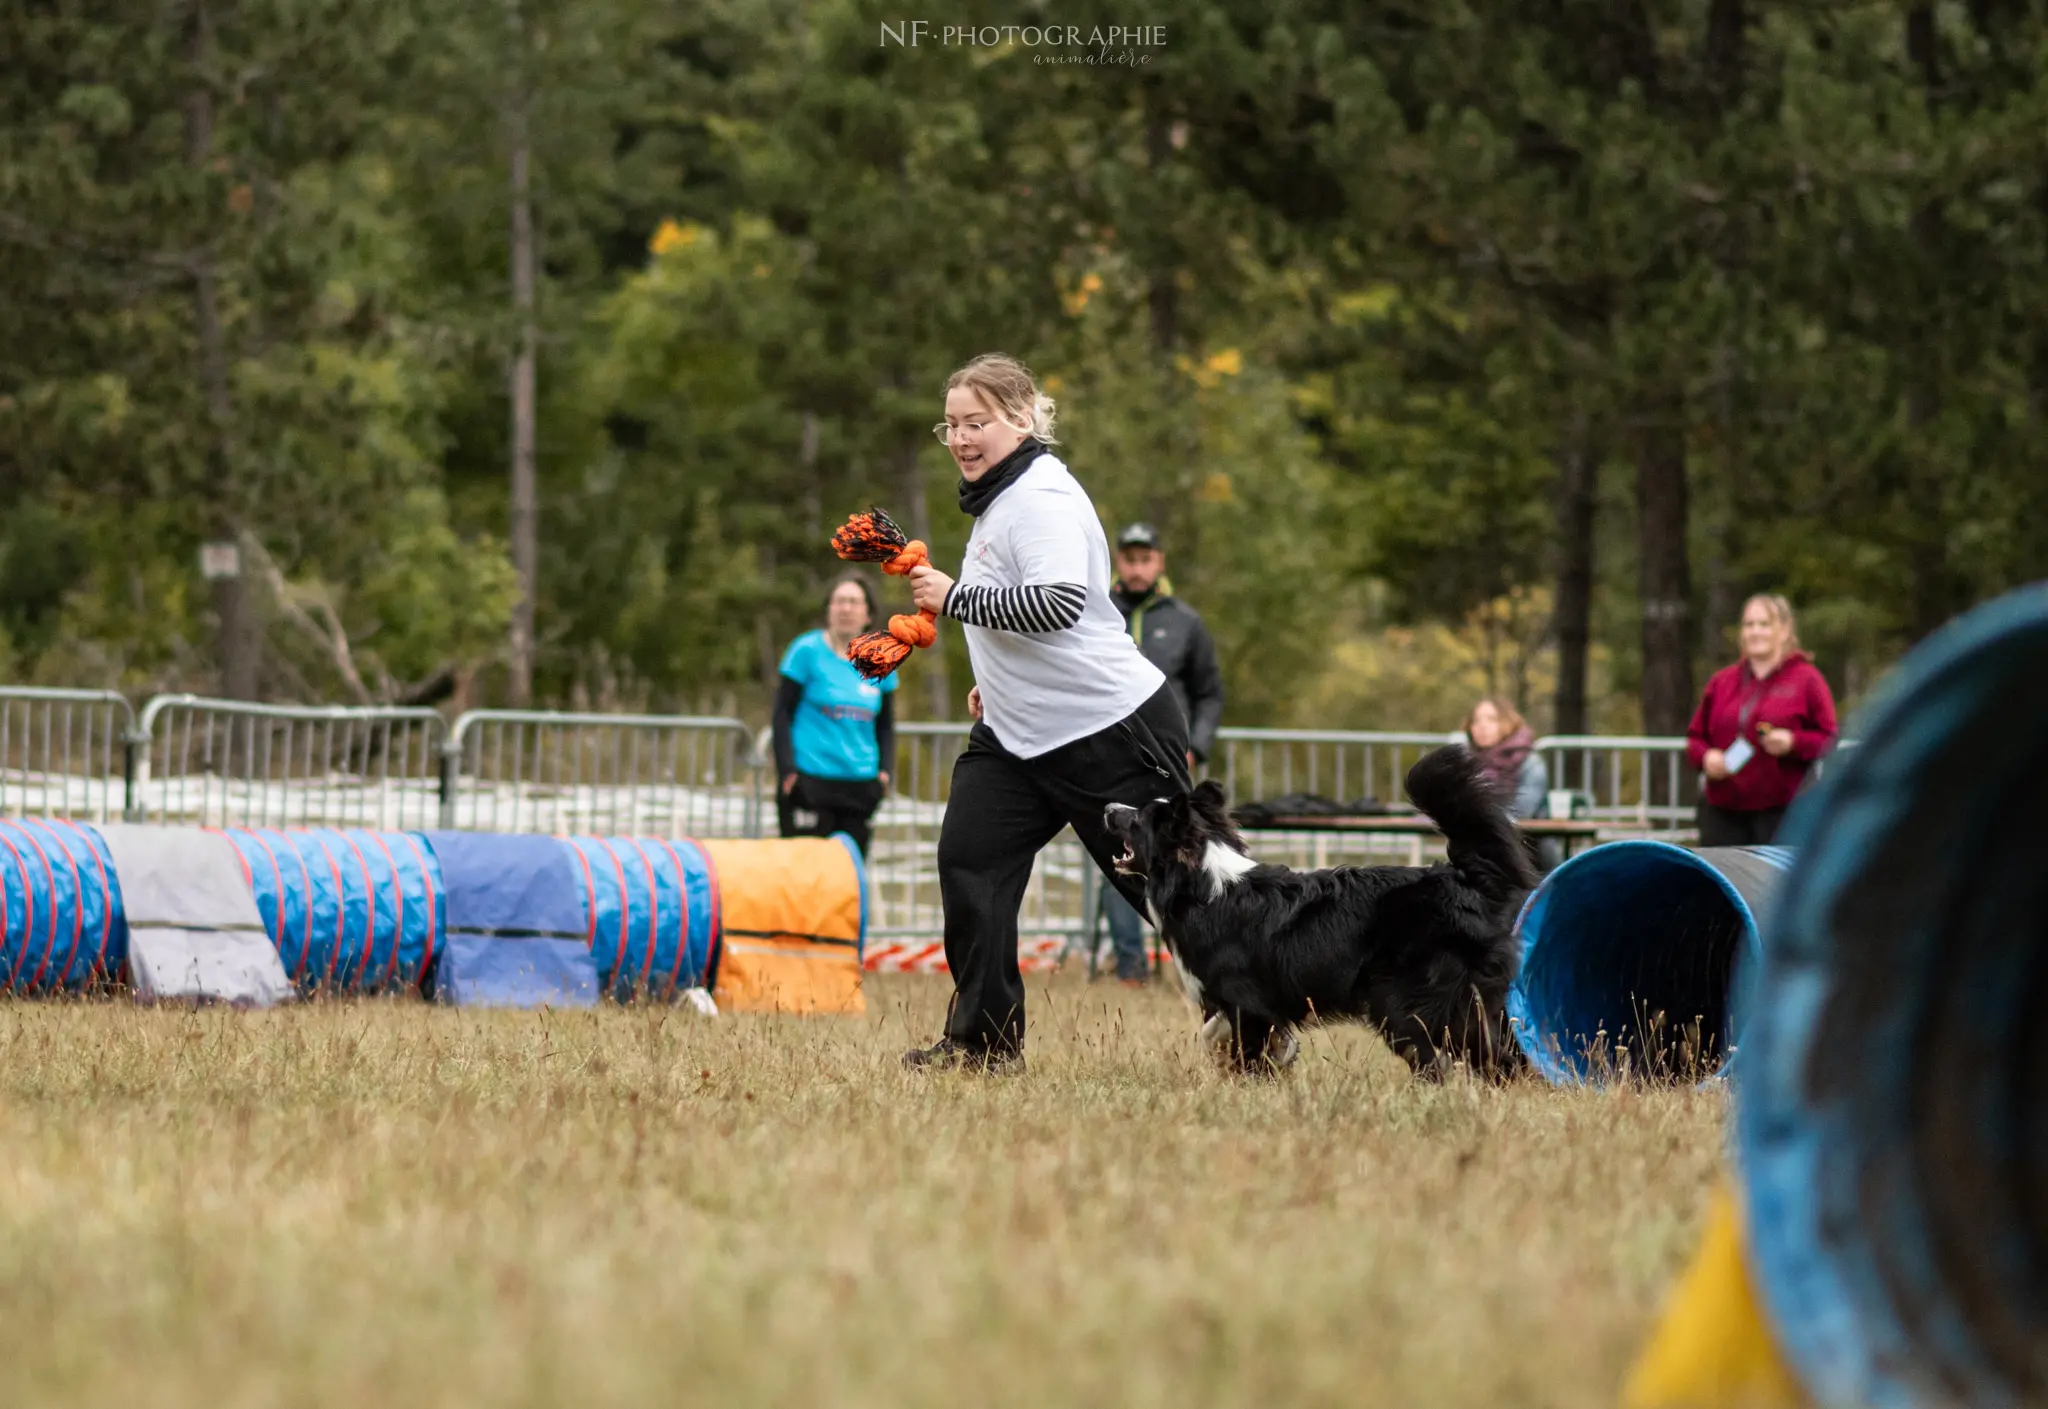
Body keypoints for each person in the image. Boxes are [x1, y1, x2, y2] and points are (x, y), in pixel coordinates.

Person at [899, 352, 1193, 1073]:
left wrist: (954, 596)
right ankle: (983, 1046)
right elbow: (1030, 610)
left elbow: (1059, 603)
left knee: (1184, 894)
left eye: (979, 423)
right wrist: (997, 680)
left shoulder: (1042, 498)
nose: (963, 439)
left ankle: (1261, 1023)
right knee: (971, 865)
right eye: (953, 426)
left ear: (1024, 418)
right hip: (1016, 736)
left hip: (1111, 729)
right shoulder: (1004, 499)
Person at [1098, 522, 1225, 984]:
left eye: (1144, 558)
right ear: (1119, 561)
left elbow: (1210, 693)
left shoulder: (1185, 621)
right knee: (1119, 854)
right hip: (1107, 753)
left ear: (1159, 562)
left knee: (1180, 855)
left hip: (1169, 759)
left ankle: (1194, 958)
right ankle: (1130, 967)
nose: (1136, 567)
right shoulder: (1098, 608)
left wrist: (1199, 744)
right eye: (1128, 558)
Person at [1685, 593, 1839, 847]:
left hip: (1782, 813)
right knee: (1721, 884)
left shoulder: (1807, 680)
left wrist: (1793, 742)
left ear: (1785, 630)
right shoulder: (1722, 682)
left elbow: (1829, 738)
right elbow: (1695, 739)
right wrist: (1706, 758)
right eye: (1749, 624)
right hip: (1723, 813)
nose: (1755, 632)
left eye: (1764, 624)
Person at [770, 573, 896, 857]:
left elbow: (886, 724)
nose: (846, 609)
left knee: (848, 879)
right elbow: (781, 714)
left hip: (860, 784)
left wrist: (885, 774)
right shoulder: (806, 651)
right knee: (804, 876)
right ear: (829, 609)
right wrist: (787, 772)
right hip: (811, 780)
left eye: (854, 602)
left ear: (867, 614)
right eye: (840, 602)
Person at [1462, 697, 1557, 871]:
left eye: (1491, 719)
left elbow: (1522, 811)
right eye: (1476, 720)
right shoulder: (1465, 763)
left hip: (1530, 854)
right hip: (1482, 852)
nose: (1482, 725)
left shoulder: (1530, 762)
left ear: (1507, 722)